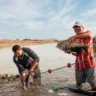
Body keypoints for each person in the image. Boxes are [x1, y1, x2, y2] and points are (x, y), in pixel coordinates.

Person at [66, 21, 96, 94]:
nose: (76, 28)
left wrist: (75, 36)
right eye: (75, 27)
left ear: (82, 27)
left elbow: (89, 35)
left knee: (92, 81)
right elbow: (77, 54)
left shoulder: (88, 32)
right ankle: (78, 92)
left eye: (78, 27)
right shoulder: (75, 40)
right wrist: (71, 52)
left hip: (90, 63)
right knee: (78, 82)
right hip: (79, 64)